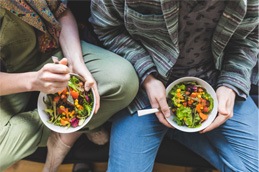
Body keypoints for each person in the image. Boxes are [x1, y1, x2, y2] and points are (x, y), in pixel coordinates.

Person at [90, 0, 259, 172]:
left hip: (213, 83)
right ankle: (182, 130)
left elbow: (251, 36)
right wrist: (148, 78)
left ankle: (178, 130)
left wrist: (231, 84)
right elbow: (107, 28)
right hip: (143, 89)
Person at [0, 0, 139, 172]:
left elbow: (60, 11)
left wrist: (76, 62)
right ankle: (68, 130)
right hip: (6, 79)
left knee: (123, 80)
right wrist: (32, 81)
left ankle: (63, 137)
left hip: (50, 49)